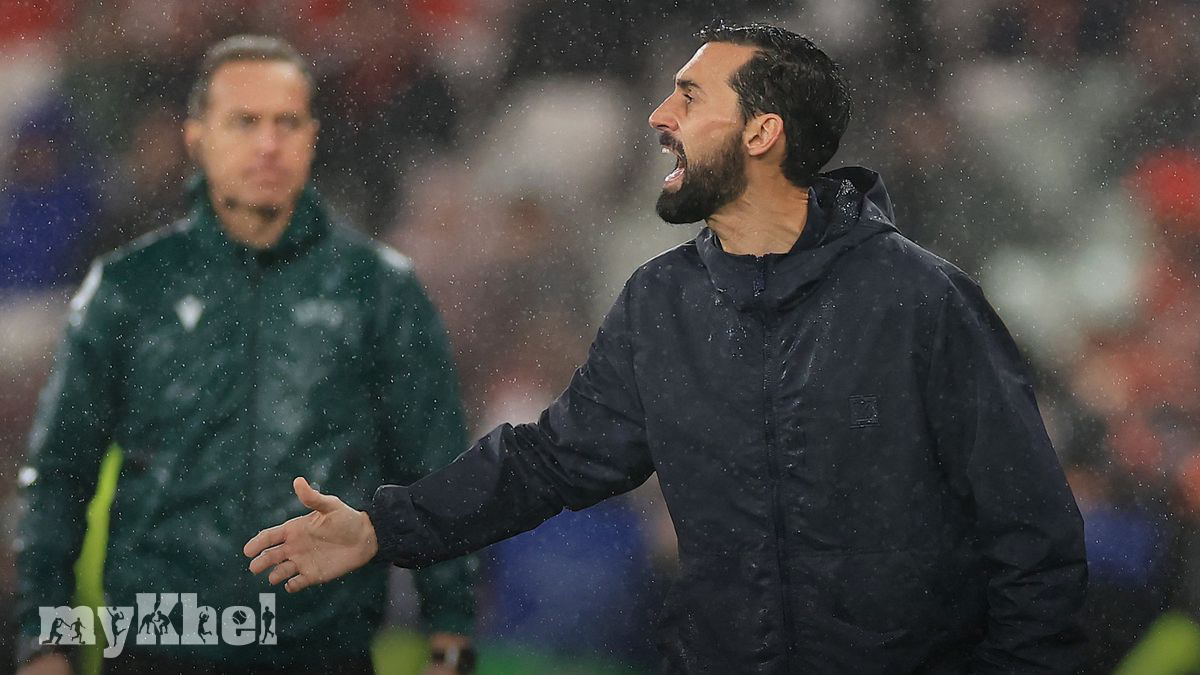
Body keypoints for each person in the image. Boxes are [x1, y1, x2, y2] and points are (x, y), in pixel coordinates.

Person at [244, 23, 1088, 674]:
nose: (659, 116)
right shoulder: (661, 303)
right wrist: (385, 525)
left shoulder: (922, 302)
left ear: (762, 133)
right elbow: (547, 462)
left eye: (689, 98)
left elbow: (1035, 541)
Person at [15, 35, 476, 675]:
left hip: (322, 653)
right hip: (156, 651)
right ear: (196, 137)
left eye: (287, 123)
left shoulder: (377, 290)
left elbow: (438, 471)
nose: (268, 144)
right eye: (244, 122)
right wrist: (42, 641)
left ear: (313, 137)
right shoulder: (128, 289)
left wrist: (451, 637)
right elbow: (60, 474)